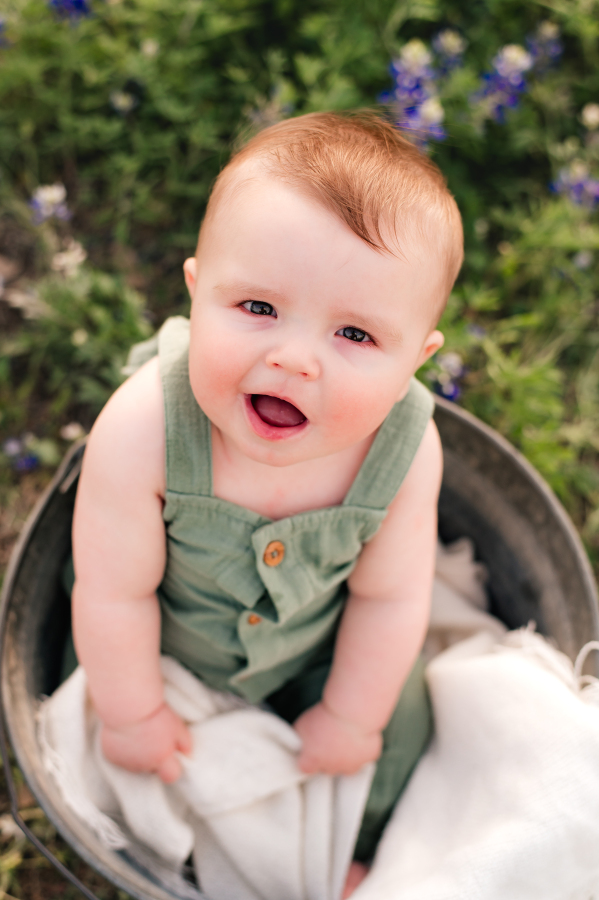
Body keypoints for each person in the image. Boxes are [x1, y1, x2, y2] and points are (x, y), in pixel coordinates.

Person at [70, 110, 463, 892]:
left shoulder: (406, 451)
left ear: (414, 361)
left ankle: (365, 848)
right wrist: (132, 713)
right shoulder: (146, 426)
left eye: (354, 335)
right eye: (256, 308)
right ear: (196, 293)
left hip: (320, 651)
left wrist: (350, 718)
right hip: (167, 651)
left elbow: (387, 600)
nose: (293, 359)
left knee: (399, 717)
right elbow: (114, 593)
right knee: (117, 750)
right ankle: (176, 856)